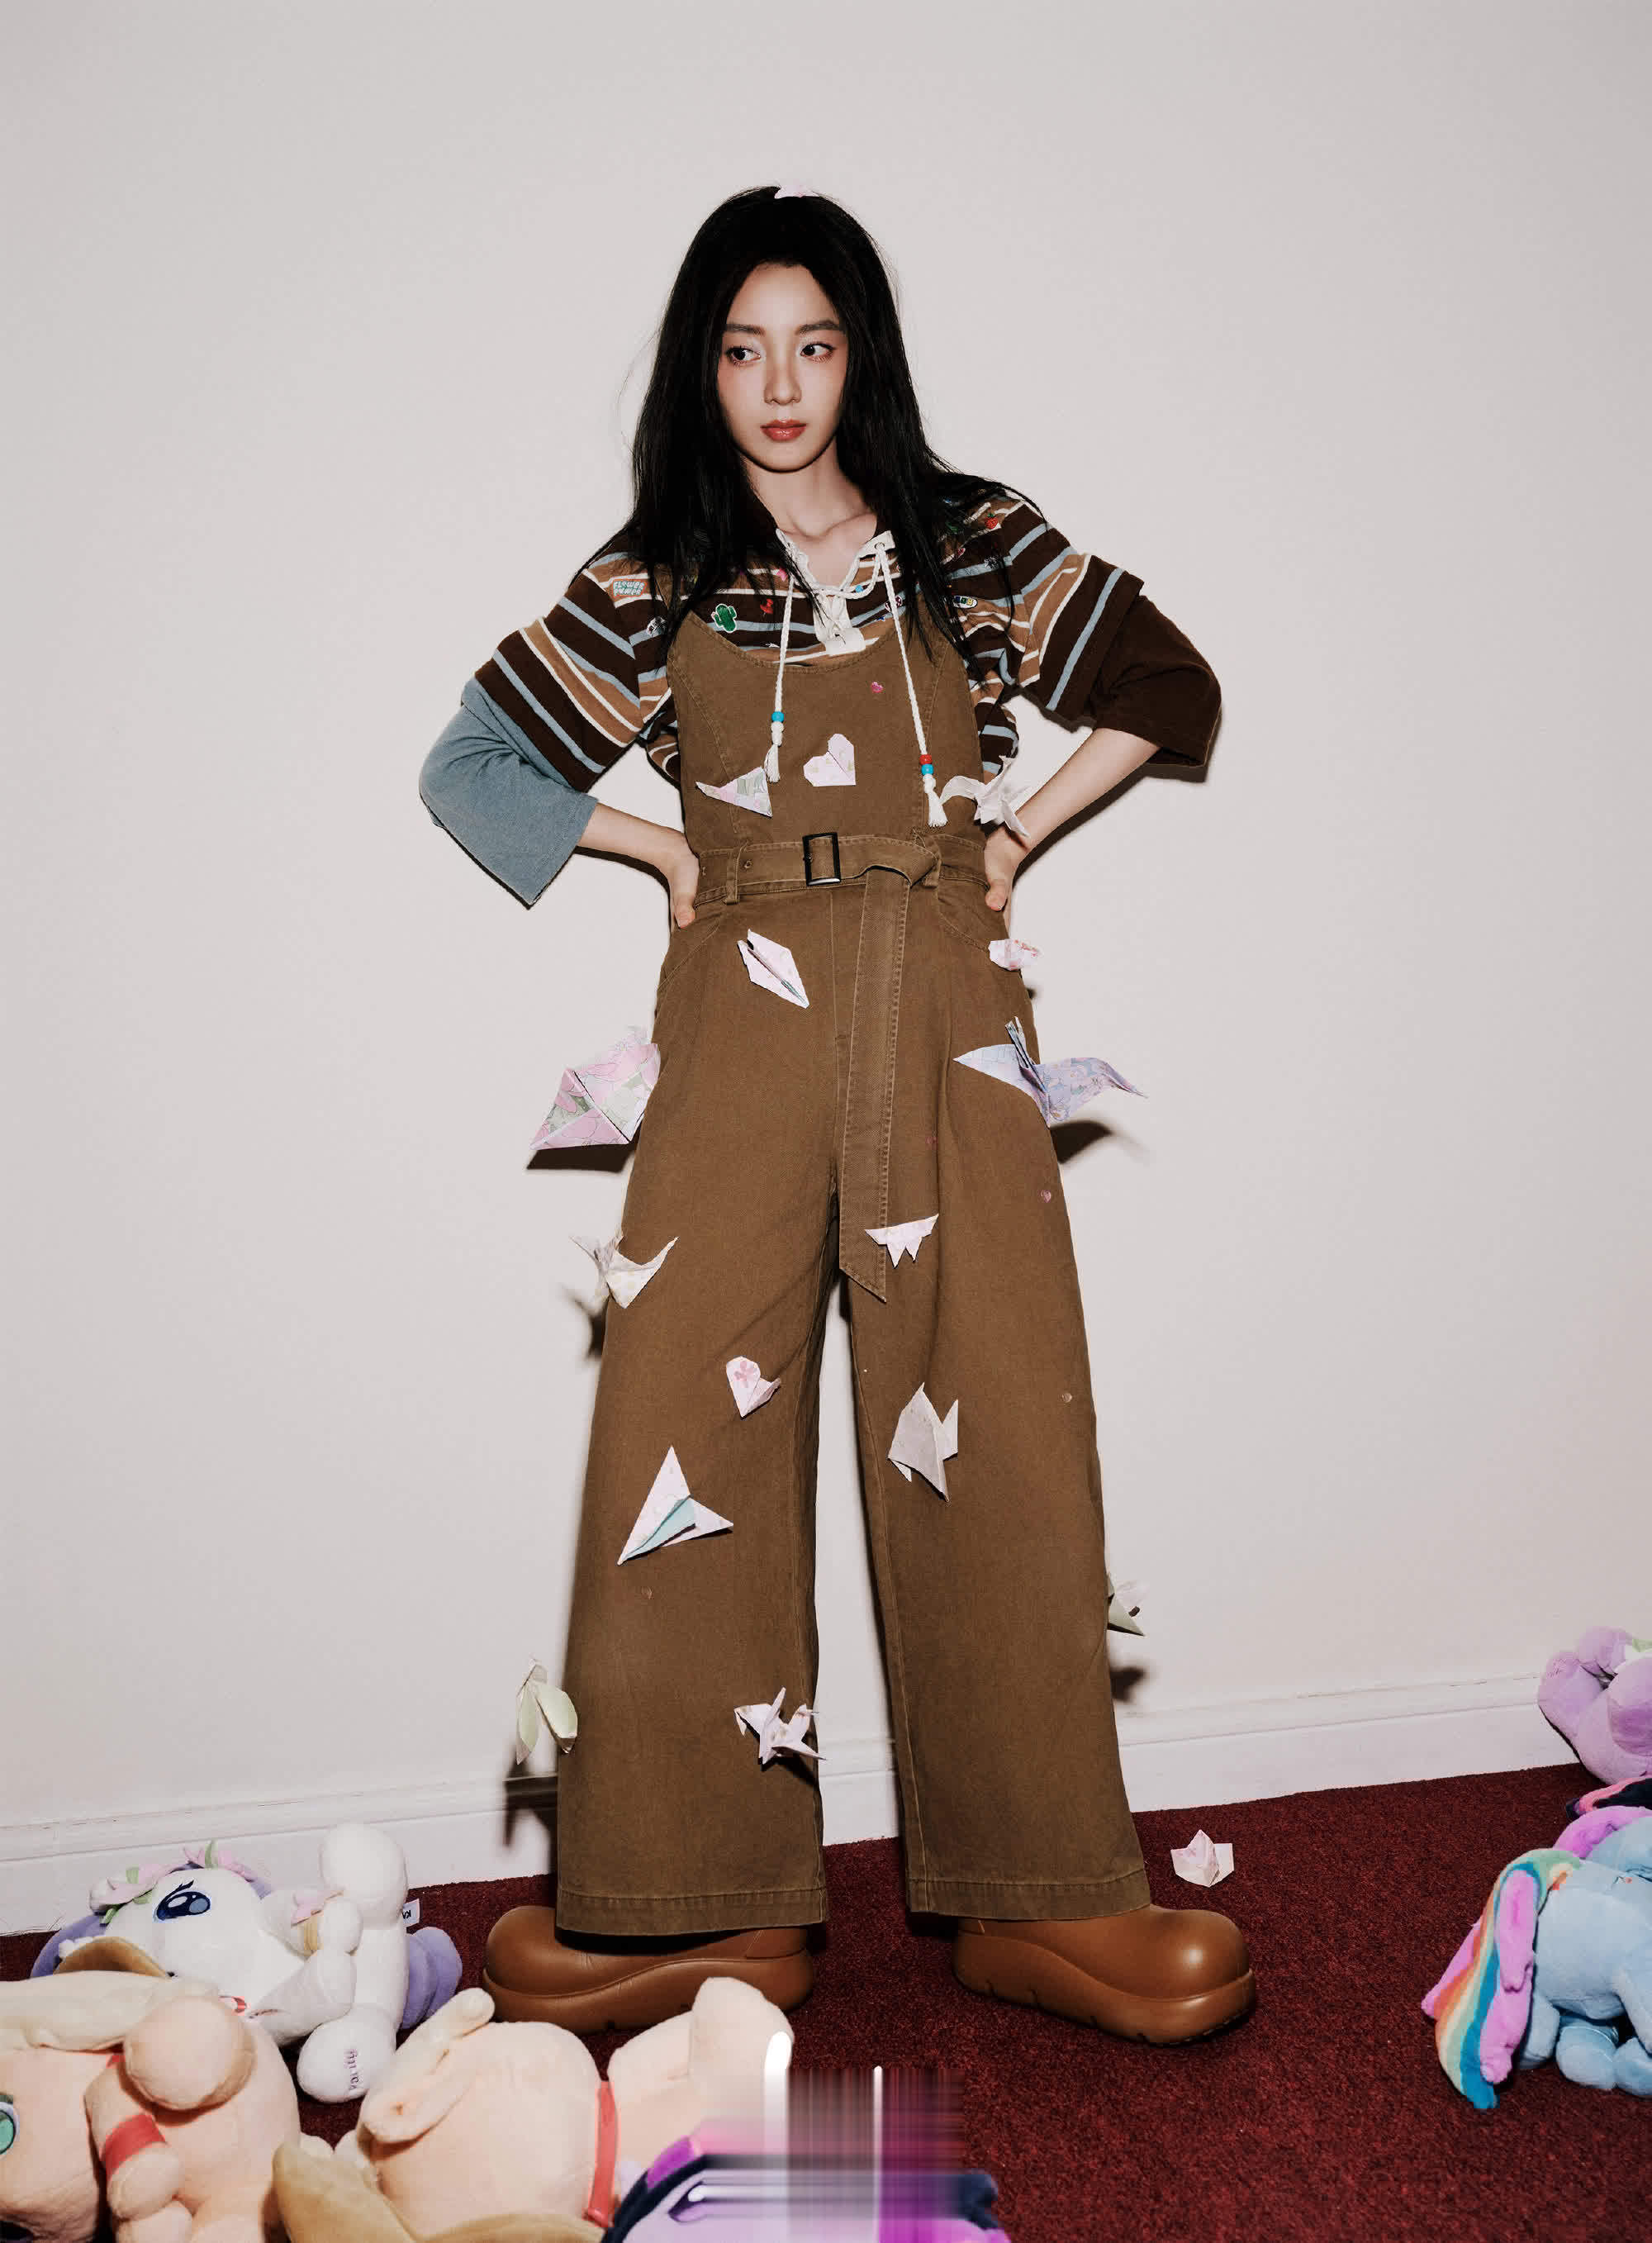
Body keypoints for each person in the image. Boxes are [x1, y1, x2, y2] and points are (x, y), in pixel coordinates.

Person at [420, 187, 1253, 2046]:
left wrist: (1016, 832)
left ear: (857, 352)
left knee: (1000, 1411)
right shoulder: (661, 570)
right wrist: (660, 851)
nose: (780, 384)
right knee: (680, 1427)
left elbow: (1164, 683)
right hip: (742, 1007)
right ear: (701, 369)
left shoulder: (968, 539)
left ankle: (1046, 1890)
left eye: (812, 342)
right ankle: (692, 1898)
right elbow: (467, 766)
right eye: (742, 349)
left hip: (949, 992)